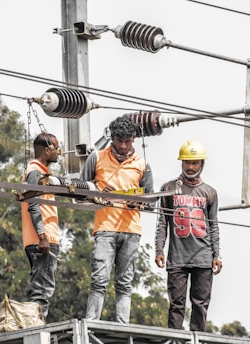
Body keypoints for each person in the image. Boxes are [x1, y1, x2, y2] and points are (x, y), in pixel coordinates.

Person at [80, 115, 154, 323]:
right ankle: (91, 322)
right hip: (105, 227)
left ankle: (123, 325)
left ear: (134, 140)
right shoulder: (97, 158)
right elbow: (79, 189)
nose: (122, 146)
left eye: (127, 141)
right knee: (99, 280)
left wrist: (136, 201)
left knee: (125, 282)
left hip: (131, 230)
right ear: (112, 138)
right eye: (119, 140)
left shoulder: (142, 164)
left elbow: (151, 200)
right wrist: (98, 192)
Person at [155, 140, 222, 331]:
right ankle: (175, 339)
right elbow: (162, 222)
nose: (190, 167)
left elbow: (214, 226)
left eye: (195, 163)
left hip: (203, 257)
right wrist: (159, 249)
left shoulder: (210, 192)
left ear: (202, 164)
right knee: (176, 305)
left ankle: (197, 339)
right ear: (181, 163)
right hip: (177, 257)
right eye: (187, 162)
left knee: (200, 305)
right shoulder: (169, 188)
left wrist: (217, 255)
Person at [21, 132, 61, 320]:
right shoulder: (35, 172)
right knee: (42, 290)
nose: (59, 152)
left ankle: (34, 327)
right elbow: (33, 204)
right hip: (43, 240)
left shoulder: (40, 173)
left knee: (39, 288)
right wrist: (43, 236)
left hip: (40, 238)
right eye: (57, 148)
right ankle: (37, 331)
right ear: (47, 150)